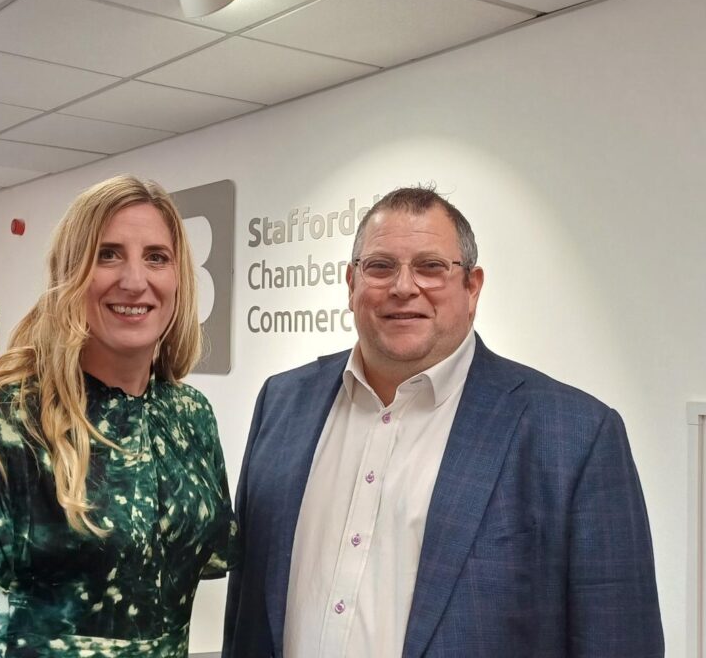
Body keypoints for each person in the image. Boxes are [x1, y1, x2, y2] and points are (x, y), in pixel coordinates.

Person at [223, 186, 663, 657]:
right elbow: (245, 611)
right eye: (380, 266)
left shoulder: (574, 437)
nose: (403, 287)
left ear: (472, 287)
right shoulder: (282, 403)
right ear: (351, 283)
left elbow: (619, 640)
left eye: (431, 267)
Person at [0, 175, 237, 658]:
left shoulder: (190, 417)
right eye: (108, 254)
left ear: (178, 277)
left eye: (156, 258)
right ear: (70, 272)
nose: (134, 280)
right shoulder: (4, 415)